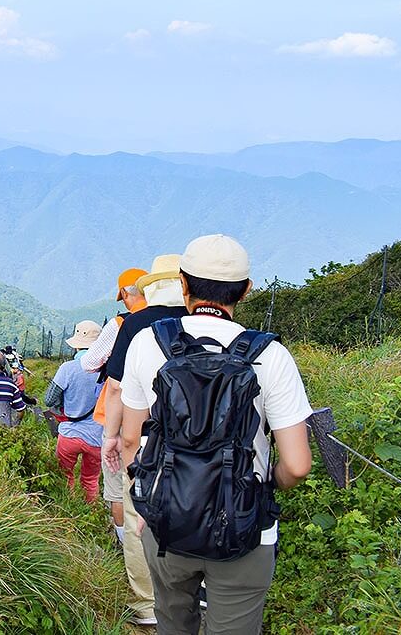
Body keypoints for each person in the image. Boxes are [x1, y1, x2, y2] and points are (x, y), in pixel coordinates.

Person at [120, 235, 311, 634]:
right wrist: (262, 485)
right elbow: (296, 465)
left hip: (167, 521)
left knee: (174, 624)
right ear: (246, 290)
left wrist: (143, 508)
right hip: (244, 528)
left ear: (184, 284)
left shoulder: (147, 342)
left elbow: (129, 442)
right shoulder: (270, 356)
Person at [100, 254, 188, 628]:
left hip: (149, 440)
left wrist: (113, 437)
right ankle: (191, 596)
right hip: (203, 443)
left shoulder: (137, 324)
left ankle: (148, 606)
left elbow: (117, 387)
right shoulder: (201, 320)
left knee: (140, 520)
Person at [81, 268, 148, 547]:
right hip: (162, 413)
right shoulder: (172, 319)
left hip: (121, 414)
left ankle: (126, 544)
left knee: (119, 484)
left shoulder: (122, 323)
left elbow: (89, 363)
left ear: (123, 294)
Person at [44, 321, 105, 501]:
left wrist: (62, 410)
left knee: (64, 476)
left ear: (77, 345)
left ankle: (67, 511)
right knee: (91, 479)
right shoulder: (107, 369)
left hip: (69, 432)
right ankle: (91, 514)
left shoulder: (68, 368)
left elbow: (49, 399)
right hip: (97, 436)